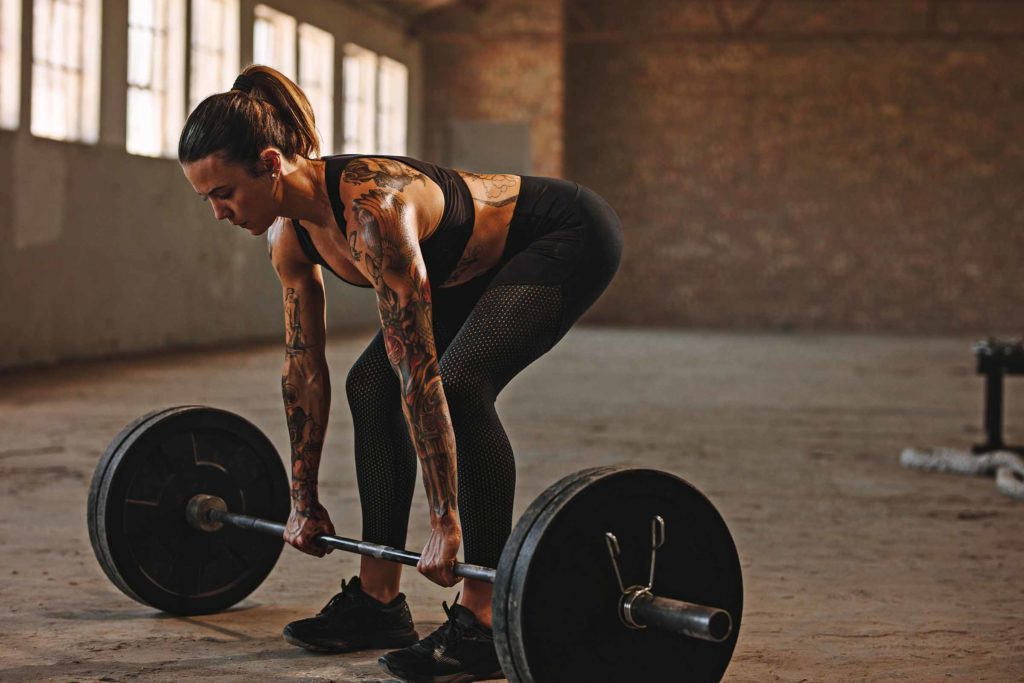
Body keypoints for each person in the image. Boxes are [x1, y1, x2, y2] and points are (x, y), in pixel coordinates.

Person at [179, 64, 622, 683]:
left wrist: (446, 523)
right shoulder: (288, 238)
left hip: (560, 236)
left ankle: (484, 618)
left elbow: (418, 373)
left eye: (223, 193)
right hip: (468, 270)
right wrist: (301, 498)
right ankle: (378, 600)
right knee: (368, 386)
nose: (219, 212)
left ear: (271, 163)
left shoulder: (373, 212)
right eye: (207, 199)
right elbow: (303, 369)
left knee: (462, 384)